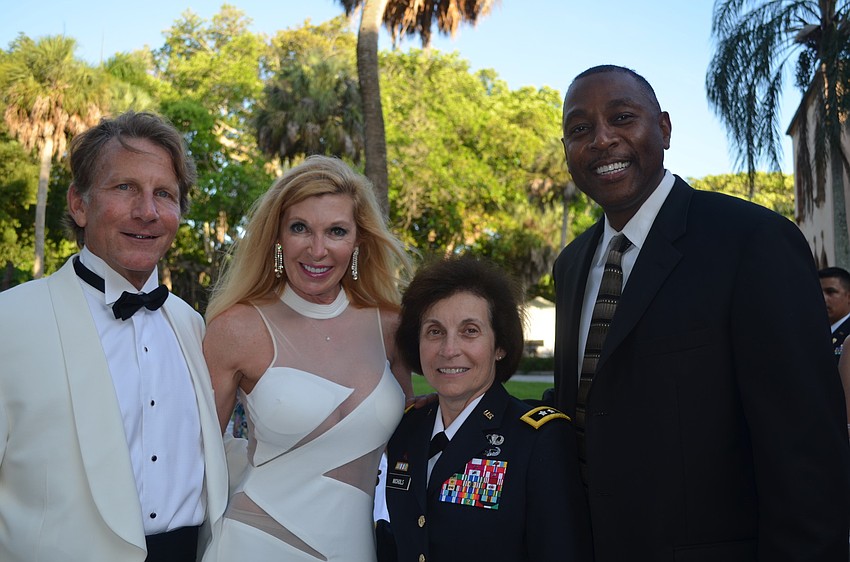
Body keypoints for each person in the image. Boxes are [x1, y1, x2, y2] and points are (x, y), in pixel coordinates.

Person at [553, 65, 850, 561]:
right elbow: (590, 401)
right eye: (579, 129)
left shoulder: (752, 242)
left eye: (622, 118)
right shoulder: (572, 265)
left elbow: (807, 454)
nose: (601, 139)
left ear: (664, 128)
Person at [0, 111, 229, 561]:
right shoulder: (11, 319)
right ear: (79, 204)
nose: (146, 211)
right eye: (125, 188)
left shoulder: (192, 325)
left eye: (164, 194)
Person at [201, 155, 413, 561]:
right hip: (253, 545)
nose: (318, 250)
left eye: (336, 231)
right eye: (300, 228)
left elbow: (414, 438)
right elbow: (198, 456)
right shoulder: (238, 327)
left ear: (357, 241)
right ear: (278, 237)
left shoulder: (391, 327)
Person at [381, 256, 591, 562]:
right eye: (435, 331)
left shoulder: (537, 440)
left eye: (469, 331)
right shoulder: (406, 429)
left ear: (500, 346)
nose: (449, 350)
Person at [819, 266, 850, 359]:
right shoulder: (813, 329)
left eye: (830, 292)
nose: (823, 298)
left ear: (848, 297)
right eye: (819, 293)